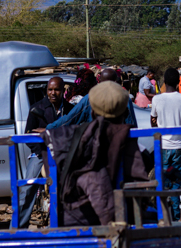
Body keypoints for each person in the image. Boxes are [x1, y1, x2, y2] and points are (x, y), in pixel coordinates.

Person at [51, 81, 148, 226]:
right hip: (120, 221)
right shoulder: (132, 145)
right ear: (126, 113)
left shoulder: (71, 139)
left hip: (76, 223)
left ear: (92, 112)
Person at [19, 77, 73, 224]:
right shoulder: (37, 108)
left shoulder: (69, 110)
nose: (53, 93)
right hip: (40, 153)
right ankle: (18, 228)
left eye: (56, 89)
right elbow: (29, 134)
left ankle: (66, 223)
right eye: (50, 89)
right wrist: (42, 151)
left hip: (63, 153)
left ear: (63, 91)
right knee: (27, 188)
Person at [150, 68, 181, 221]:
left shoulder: (156, 99)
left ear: (164, 82)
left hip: (162, 145)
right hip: (179, 145)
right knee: (176, 182)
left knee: (162, 181)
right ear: (177, 83)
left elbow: (153, 121)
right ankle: (175, 217)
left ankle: (163, 216)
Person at [47, 68, 137, 131]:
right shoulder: (124, 99)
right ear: (116, 82)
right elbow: (132, 127)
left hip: (95, 148)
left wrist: (50, 128)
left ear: (99, 81)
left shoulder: (90, 98)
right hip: (117, 147)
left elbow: (71, 119)